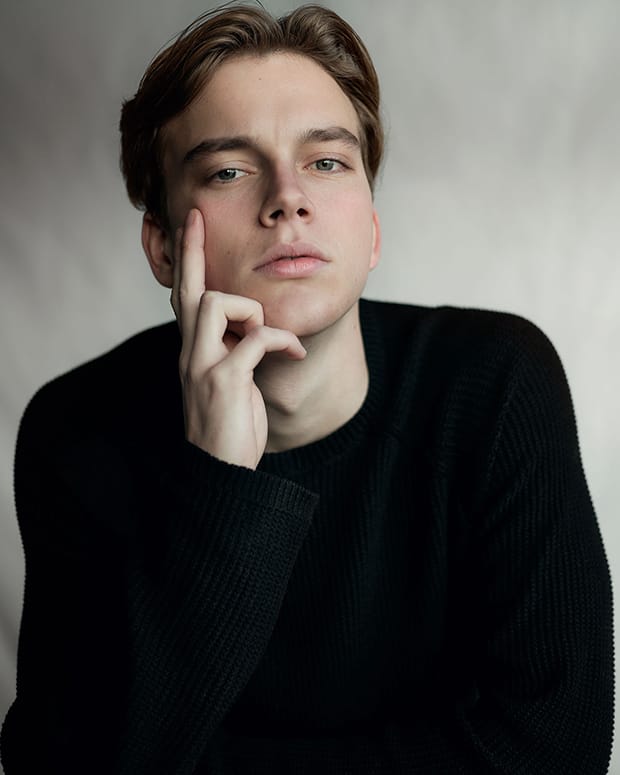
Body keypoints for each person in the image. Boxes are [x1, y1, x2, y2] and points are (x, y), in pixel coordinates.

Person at [0, 4, 613, 774]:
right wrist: (222, 487)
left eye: (326, 162)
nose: (288, 196)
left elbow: (557, 749)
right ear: (162, 246)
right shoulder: (78, 430)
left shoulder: (496, 385)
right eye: (229, 170)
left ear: (371, 227)